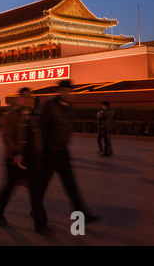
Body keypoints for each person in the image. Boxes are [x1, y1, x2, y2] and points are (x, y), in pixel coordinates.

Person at [39, 80, 100, 225]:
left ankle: (83, 214)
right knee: (42, 184)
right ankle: (35, 208)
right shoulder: (50, 106)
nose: (69, 94)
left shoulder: (70, 108)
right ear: (60, 91)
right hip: (50, 152)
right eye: (65, 91)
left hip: (63, 152)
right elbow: (42, 128)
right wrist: (44, 149)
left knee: (71, 185)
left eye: (70, 91)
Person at [0, 87, 48, 234]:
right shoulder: (11, 116)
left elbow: (39, 138)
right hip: (15, 160)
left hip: (32, 161)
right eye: (25, 97)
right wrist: (15, 153)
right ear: (19, 99)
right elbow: (7, 136)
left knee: (36, 191)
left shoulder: (35, 117)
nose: (28, 100)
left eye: (30, 98)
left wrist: (41, 156)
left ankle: (41, 225)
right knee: (9, 187)